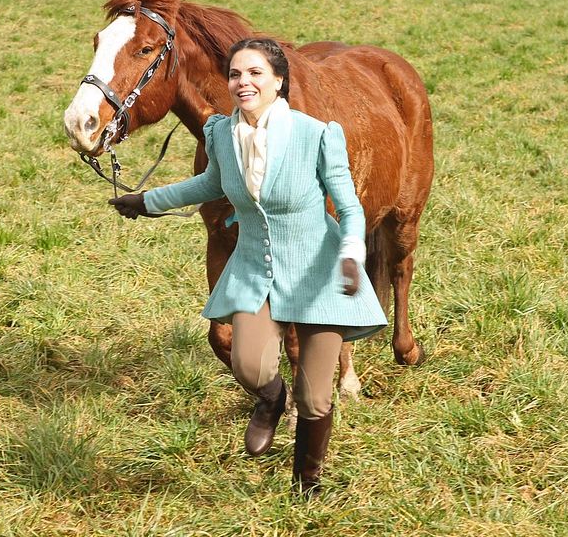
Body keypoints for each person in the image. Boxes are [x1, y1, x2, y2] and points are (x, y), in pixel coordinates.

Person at [110, 37, 387, 495]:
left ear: (278, 81)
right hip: (257, 270)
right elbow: (210, 183)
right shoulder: (222, 134)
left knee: (315, 396)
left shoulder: (317, 134)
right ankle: (271, 400)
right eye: (236, 74)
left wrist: (351, 252)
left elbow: (349, 207)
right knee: (249, 365)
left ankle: (307, 482)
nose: (244, 82)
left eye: (256, 73)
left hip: (319, 274)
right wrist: (147, 201)